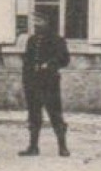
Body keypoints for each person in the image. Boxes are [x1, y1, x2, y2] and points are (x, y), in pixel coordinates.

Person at [19, 10, 71, 157]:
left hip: (50, 83)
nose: (36, 24)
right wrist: (27, 81)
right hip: (33, 84)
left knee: (55, 115)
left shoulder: (57, 40)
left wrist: (50, 64)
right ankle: (33, 147)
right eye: (35, 21)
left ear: (47, 23)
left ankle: (62, 147)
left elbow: (65, 60)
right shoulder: (32, 40)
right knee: (34, 116)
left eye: (39, 21)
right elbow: (26, 62)